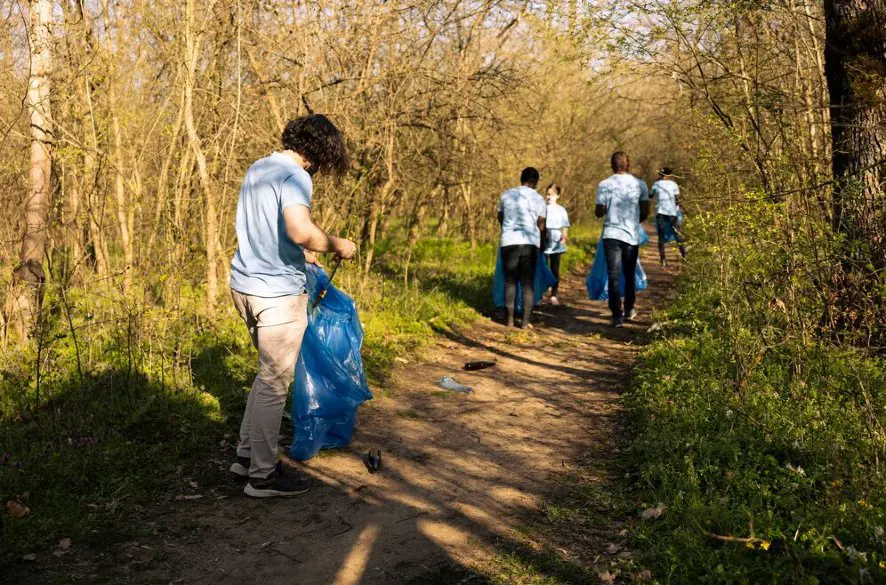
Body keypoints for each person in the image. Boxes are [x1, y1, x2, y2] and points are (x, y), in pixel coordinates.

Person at [228, 114, 357, 498]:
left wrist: (300, 257)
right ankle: (263, 477)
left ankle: (245, 456)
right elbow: (299, 229)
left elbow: (268, 230)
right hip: (276, 295)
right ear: (318, 151)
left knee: (265, 375)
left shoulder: (259, 167)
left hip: (244, 285)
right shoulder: (296, 175)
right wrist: (337, 244)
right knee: (275, 381)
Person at [594, 151, 650, 327]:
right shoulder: (640, 185)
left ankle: (616, 315)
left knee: (614, 274)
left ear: (612, 165)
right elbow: (645, 211)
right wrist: (633, 222)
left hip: (611, 234)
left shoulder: (604, 184)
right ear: (628, 164)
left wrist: (605, 209)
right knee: (629, 272)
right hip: (631, 236)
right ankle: (630, 308)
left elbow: (599, 212)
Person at [498, 167, 546, 328]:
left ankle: (510, 320)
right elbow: (541, 225)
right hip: (530, 243)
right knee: (527, 283)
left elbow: (501, 217)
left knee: (510, 281)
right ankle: (525, 322)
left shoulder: (506, 194)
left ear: (521, 178)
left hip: (509, 241)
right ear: (536, 182)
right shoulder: (539, 199)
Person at [650, 167, 687, 267]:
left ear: (661, 175)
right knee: (678, 235)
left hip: (660, 212)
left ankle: (663, 260)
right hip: (672, 213)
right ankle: (684, 256)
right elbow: (677, 200)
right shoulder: (674, 185)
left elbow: (650, 195)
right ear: (669, 175)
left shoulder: (656, 184)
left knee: (661, 236)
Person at [542, 183, 570, 306]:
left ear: (557, 196)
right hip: (543, 241)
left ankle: (554, 294)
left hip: (556, 242)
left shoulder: (561, 210)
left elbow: (565, 226)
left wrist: (564, 236)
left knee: (555, 269)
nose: (549, 197)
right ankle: (540, 294)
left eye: (552, 195)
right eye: (547, 194)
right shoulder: (541, 208)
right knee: (542, 268)